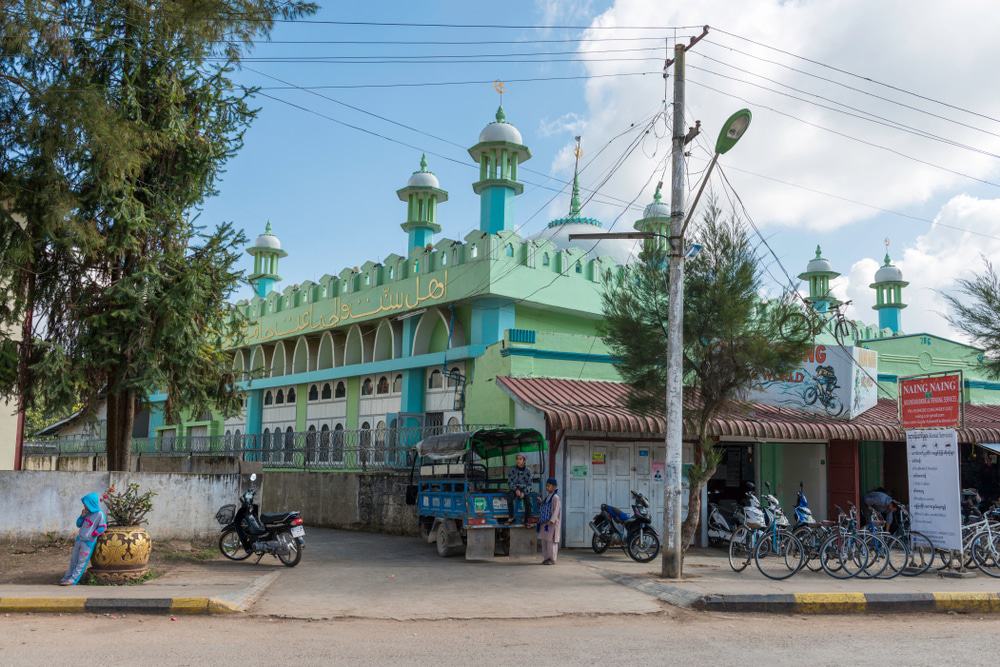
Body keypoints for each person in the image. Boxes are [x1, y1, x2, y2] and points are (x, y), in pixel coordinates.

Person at [60, 492, 107, 586]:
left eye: (86, 504)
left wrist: (93, 534)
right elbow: (78, 524)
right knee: (74, 560)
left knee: (81, 561)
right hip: (79, 539)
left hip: (88, 542)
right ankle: (67, 576)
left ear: (91, 503)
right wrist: (82, 516)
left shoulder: (99, 514)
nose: (84, 506)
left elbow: (102, 527)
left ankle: (73, 580)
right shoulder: (86, 513)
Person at [504, 453, 533, 525]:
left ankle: (527, 520)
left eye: (520, 459)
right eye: (517, 459)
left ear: (524, 460)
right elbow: (509, 482)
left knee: (528, 502)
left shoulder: (528, 471)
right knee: (509, 497)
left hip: (524, 489)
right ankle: (511, 517)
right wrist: (515, 489)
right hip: (515, 489)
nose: (518, 461)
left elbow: (530, 485)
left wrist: (524, 492)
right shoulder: (512, 469)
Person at [539, 477, 561, 565]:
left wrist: (551, 521)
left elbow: (556, 510)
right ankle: (546, 558)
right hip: (545, 523)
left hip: (551, 523)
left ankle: (552, 559)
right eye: (547, 486)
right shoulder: (548, 496)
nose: (547, 487)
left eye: (549, 486)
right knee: (545, 541)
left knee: (551, 542)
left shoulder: (555, 497)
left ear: (554, 487)